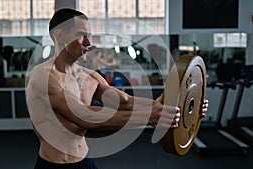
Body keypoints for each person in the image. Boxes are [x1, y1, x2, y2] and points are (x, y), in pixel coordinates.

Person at [26, 8, 208, 169]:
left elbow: (126, 102)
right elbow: (83, 115)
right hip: (53, 166)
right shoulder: (43, 77)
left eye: (90, 35)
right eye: (82, 34)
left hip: (85, 162)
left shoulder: (90, 77)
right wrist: (149, 117)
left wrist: (182, 105)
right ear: (59, 36)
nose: (89, 43)